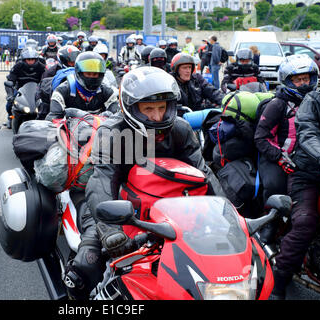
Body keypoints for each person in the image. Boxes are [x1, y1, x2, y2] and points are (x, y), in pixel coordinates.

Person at [62, 66, 225, 299]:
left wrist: (230, 220)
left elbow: (204, 174)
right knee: (86, 266)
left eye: (162, 108)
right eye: (148, 109)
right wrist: (110, 231)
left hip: (167, 207)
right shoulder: (113, 131)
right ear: (130, 107)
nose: (157, 116)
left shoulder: (180, 129)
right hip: (111, 204)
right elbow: (102, 180)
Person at [271, 59, 320, 300]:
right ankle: (277, 284)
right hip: (308, 172)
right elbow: (308, 131)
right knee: (305, 223)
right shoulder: (312, 102)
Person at [254, 55, 319, 247]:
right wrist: (280, 158)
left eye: (306, 79)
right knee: (275, 186)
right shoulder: (278, 104)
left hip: (308, 159)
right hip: (277, 158)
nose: (303, 84)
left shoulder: (316, 102)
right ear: (288, 81)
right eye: (297, 80)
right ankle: (269, 225)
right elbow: (260, 137)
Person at [45, 51, 118, 121]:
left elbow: (117, 117)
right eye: (88, 74)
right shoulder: (61, 91)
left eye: (95, 74)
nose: (92, 77)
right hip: (69, 132)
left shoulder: (107, 92)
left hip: (100, 131)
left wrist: (108, 115)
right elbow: (52, 120)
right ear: (79, 73)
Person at [4, 47, 46, 128]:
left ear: (36, 59)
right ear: (24, 60)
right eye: (28, 59)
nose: (30, 61)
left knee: (45, 105)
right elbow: (10, 80)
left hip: (37, 91)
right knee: (9, 104)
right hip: (20, 89)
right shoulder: (17, 67)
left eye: (32, 59)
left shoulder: (42, 67)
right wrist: (10, 94)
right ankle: (10, 117)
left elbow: (46, 81)